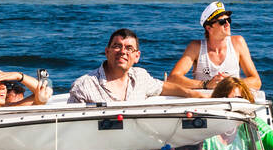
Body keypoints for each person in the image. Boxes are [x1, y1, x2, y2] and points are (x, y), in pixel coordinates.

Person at [68, 28, 205, 104]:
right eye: (117, 46)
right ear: (107, 51)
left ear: (137, 56)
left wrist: (192, 94)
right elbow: (69, 129)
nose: (122, 52)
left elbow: (163, 87)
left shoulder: (141, 78)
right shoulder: (83, 86)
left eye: (129, 48)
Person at [167, 1, 262, 94]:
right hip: (206, 104)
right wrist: (205, 84)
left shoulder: (238, 43)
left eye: (228, 20)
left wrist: (230, 83)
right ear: (209, 28)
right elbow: (172, 78)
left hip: (233, 101)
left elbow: (256, 82)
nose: (227, 24)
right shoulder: (195, 47)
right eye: (222, 22)